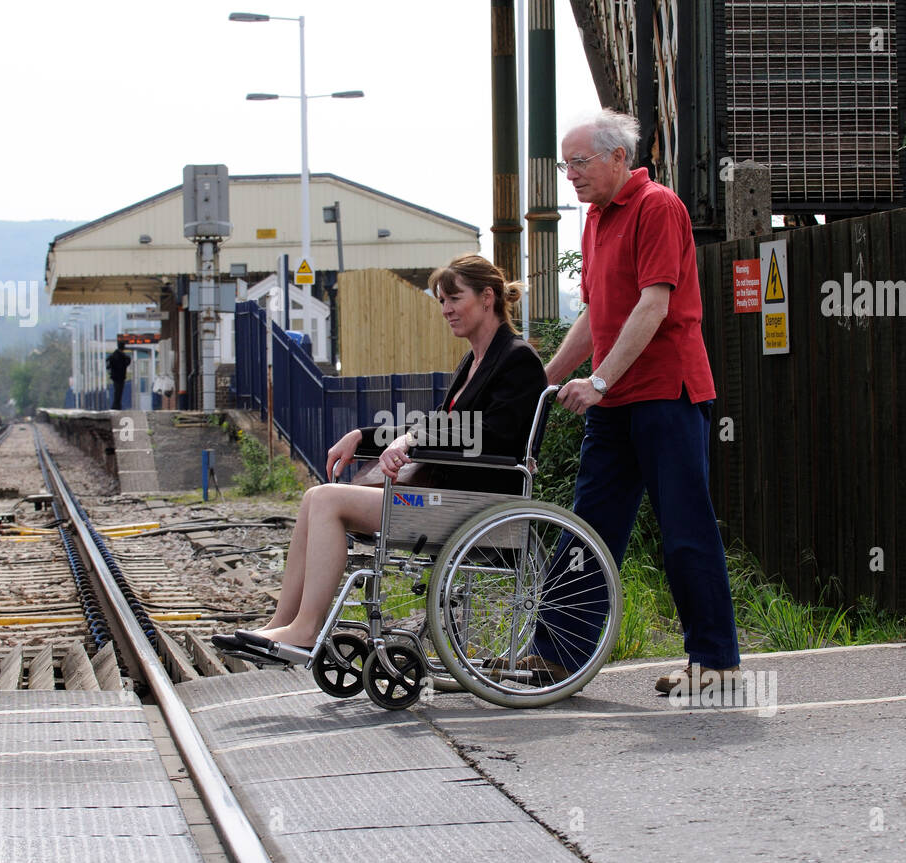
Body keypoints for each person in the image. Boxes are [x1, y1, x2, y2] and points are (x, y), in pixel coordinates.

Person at [213, 255, 546, 663]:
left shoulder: (517, 359)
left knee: (328, 500)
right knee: (314, 498)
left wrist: (411, 439)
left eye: (454, 299)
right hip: (448, 497)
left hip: (474, 504)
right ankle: (281, 625)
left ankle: (304, 630)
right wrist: (364, 436)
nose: (446, 310)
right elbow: (448, 428)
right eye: (442, 301)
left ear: (488, 297)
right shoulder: (474, 361)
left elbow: (491, 436)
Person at [532, 108, 741, 695]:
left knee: (684, 528)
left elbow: (653, 304)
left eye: (580, 162)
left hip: (666, 394)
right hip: (616, 401)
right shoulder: (596, 218)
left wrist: (597, 383)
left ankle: (716, 664)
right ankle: (557, 655)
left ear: (618, 157)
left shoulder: (658, 207)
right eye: (564, 164)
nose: (569, 174)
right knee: (588, 529)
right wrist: (543, 381)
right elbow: (596, 316)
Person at [106, 341, 130, 411]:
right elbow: (127, 362)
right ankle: (116, 405)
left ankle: (116, 405)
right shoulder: (121, 356)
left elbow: (108, 364)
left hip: (116, 376)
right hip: (119, 376)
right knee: (118, 391)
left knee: (117, 391)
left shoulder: (114, 355)